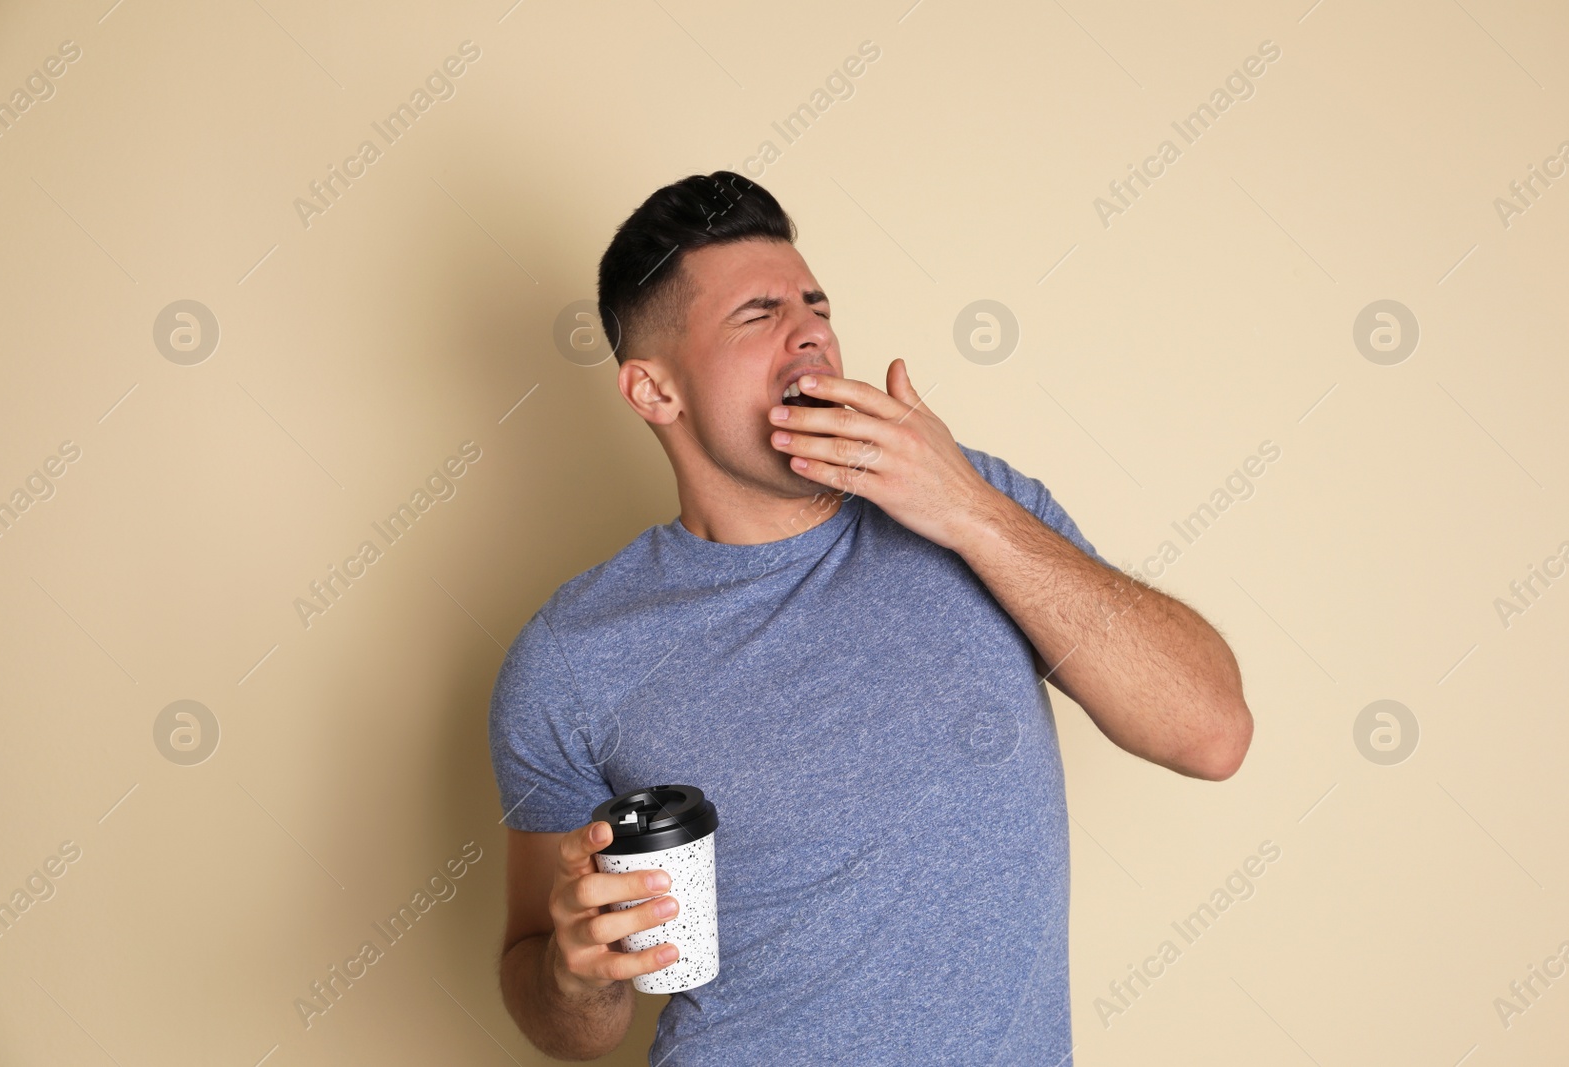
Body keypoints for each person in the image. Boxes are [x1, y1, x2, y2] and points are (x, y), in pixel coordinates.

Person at [488, 171, 1253, 1064]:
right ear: (655, 392)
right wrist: (576, 977)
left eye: (815, 304)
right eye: (757, 314)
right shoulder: (573, 657)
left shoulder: (975, 506)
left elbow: (1211, 732)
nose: (810, 329)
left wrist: (966, 508)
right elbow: (561, 1018)